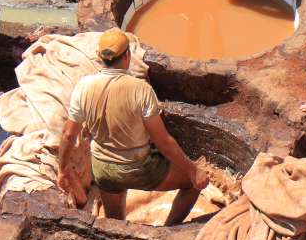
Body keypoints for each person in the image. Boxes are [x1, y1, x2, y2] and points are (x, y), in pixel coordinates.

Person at [57, 29, 213, 225]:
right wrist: (193, 171)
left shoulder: (84, 86)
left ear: (99, 57)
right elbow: (163, 141)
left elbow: (68, 134)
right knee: (191, 184)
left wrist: (62, 169)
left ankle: (117, 232)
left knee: (115, 223)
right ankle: (167, 230)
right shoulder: (141, 89)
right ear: (127, 56)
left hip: (103, 170)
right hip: (139, 168)